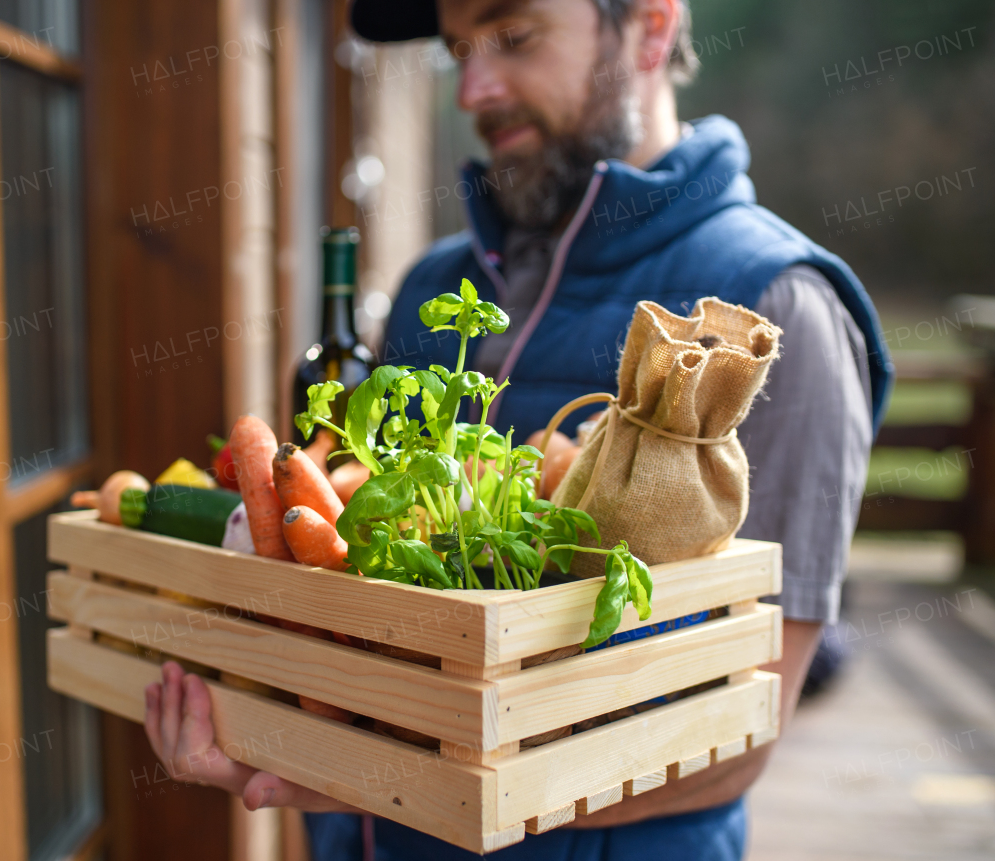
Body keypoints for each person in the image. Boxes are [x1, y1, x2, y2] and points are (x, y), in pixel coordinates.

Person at [142, 1, 892, 858]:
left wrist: (380, 777)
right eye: (458, 48)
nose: (473, 88)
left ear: (649, 28)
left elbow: (740, 735)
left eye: (515, 36)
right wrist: (264, 741)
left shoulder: (770, 308)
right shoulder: (436, 283)